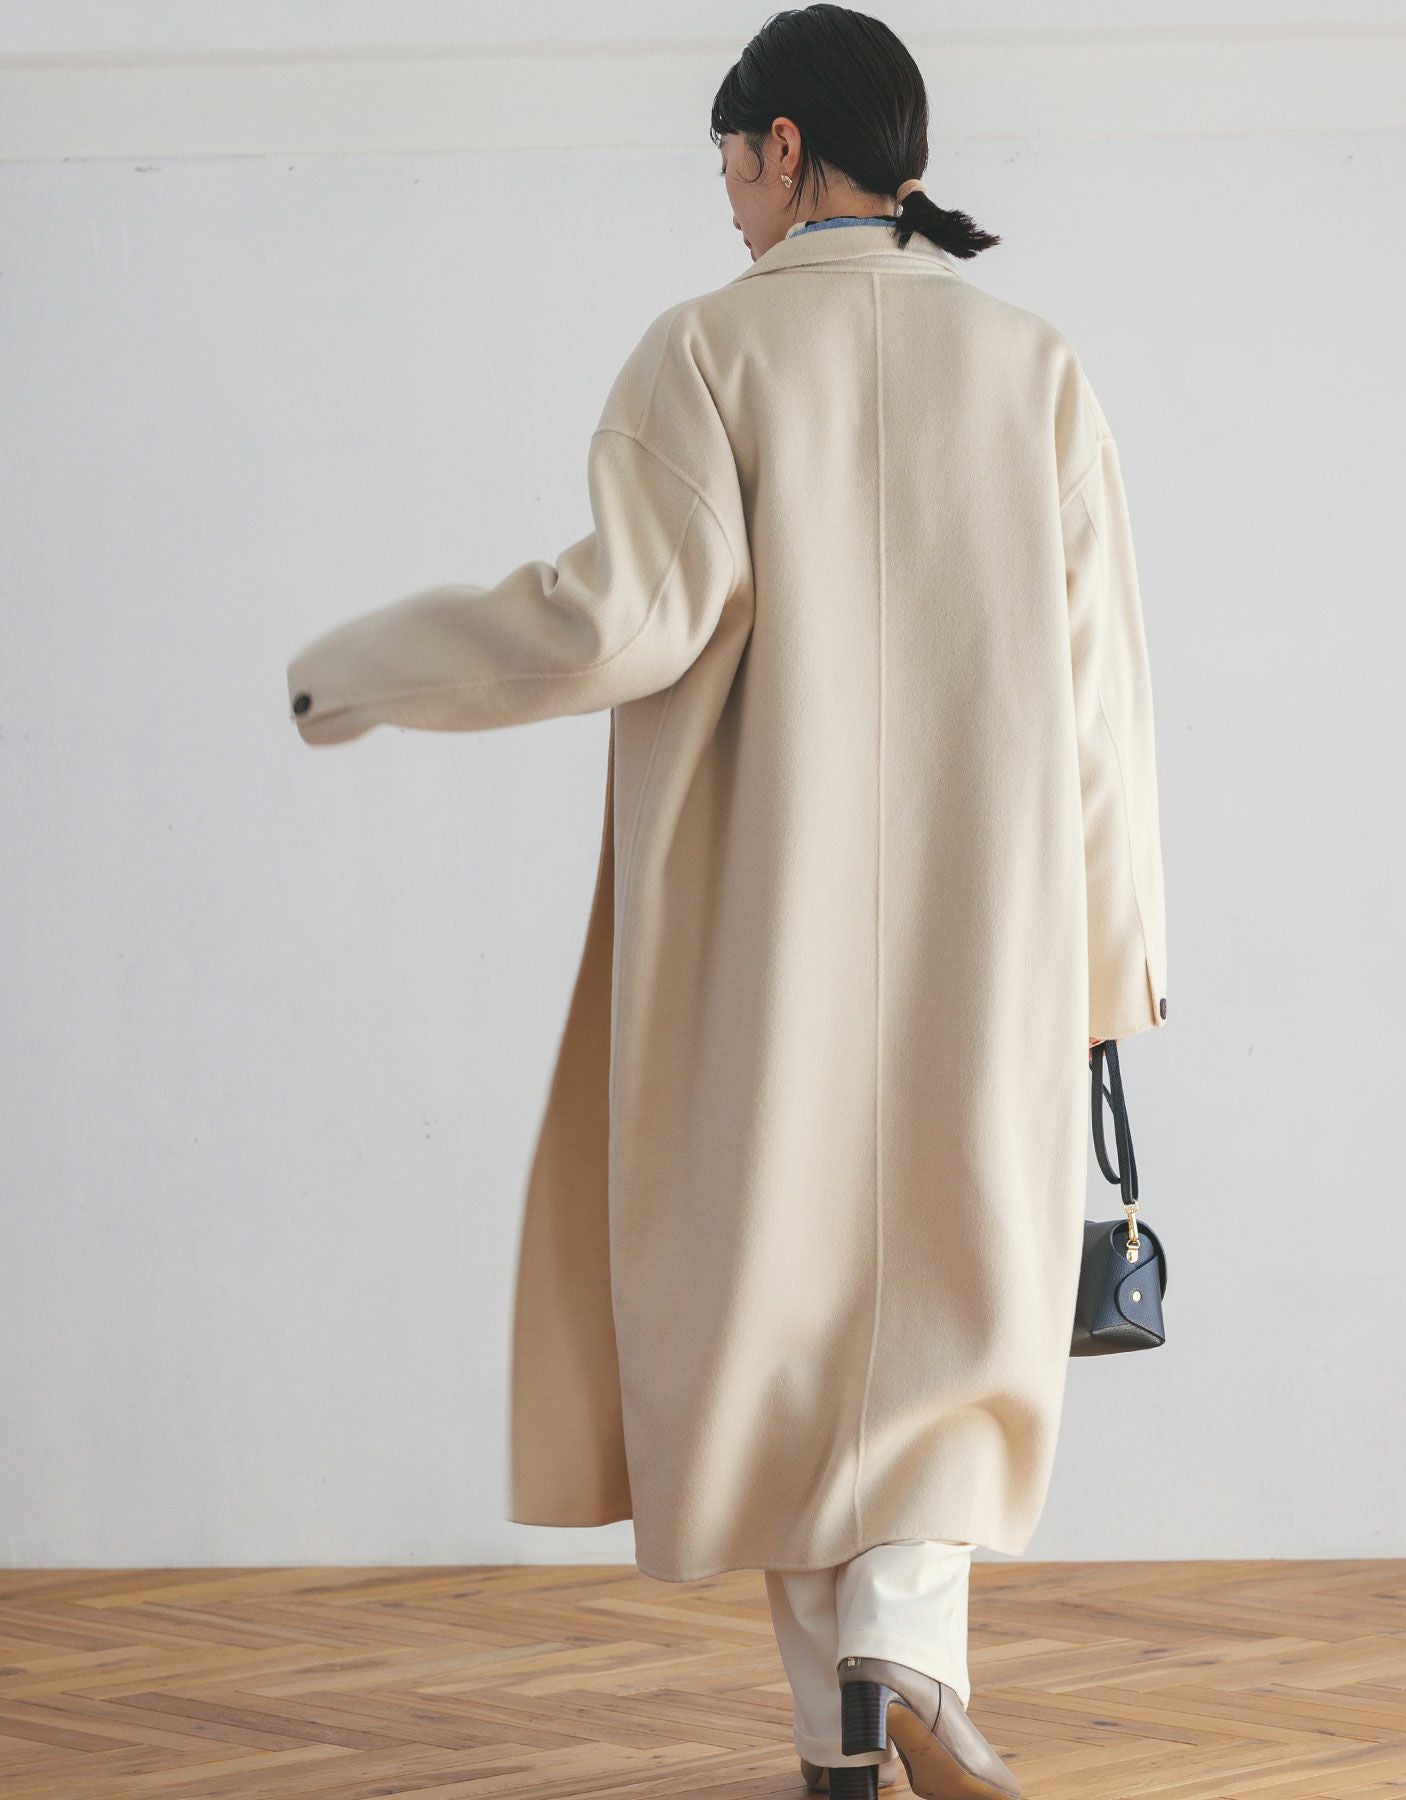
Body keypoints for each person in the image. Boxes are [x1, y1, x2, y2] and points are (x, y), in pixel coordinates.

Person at [286, 7, 1168, 1795]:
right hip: (990, 948)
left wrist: (362, 667)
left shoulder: (704, 351)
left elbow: (617, 619)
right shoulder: (1033, 367)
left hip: (764, 951)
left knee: (779, 1340)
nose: (725, 199)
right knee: (949, 1335)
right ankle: (895, 1658)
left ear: (784, 147)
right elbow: (1102, 708)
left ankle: (846, 1715)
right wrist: (1113, 964)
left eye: (727, 160)